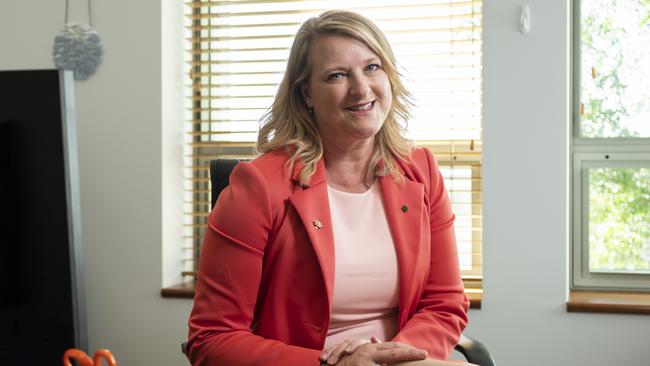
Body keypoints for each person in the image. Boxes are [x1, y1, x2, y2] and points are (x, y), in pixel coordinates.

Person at [187, 10, 469, 366]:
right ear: (306, 94)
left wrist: (390, 359)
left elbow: (443, 302)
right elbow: (212, 339)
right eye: (337, 75)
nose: (362, 88)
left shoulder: (421, 170)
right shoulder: (258, 186)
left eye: (372, 67)